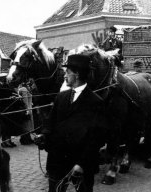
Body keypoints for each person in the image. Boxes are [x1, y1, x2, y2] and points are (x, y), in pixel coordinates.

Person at [35, 54, 107, 192]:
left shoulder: (96, 102)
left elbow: (97, 138)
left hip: (80, 164)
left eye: (68, 72)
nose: (64, 76)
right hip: (57, 161)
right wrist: (43, 135)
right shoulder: (61, 97)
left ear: (77, 74)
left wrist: (81, 163)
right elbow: (50, 122)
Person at [0, 73, 17, 148]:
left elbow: (13, 93)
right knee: (4, 127)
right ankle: (4, 142)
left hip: (10, 107)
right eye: (2, 78)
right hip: (3, 108)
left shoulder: (8, 86)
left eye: (4, 78)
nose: (4, 79)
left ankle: (9, 140)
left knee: (10, 126)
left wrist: (13, 96)